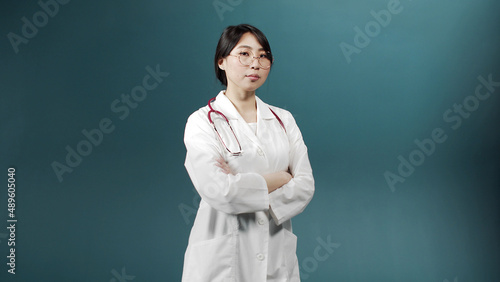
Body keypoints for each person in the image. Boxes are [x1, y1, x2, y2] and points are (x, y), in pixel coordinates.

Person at [182, 24, 314, 282]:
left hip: (275, 254)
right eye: (244, 54)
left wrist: (242, 185)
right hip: (221, 258)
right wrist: (281, 179)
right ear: (222, 61)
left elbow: (306, 185)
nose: (255, 63)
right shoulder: (202, 121)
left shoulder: (283, 120)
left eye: (263, 56)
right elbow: (221, 191)